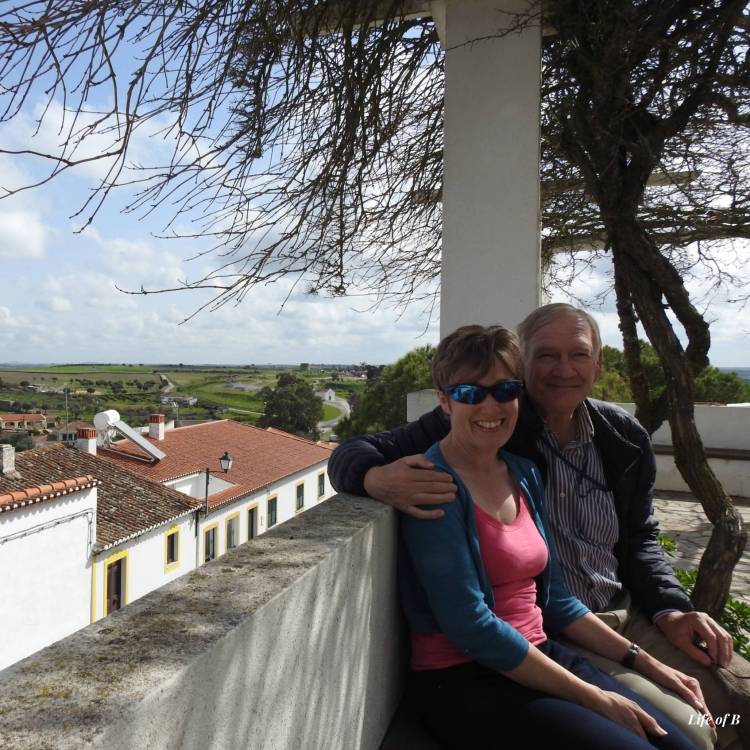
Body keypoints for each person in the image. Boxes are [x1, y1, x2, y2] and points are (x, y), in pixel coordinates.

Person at [329, 303, 736, 750]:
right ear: (444, 400)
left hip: (578, 630)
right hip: (476, 674)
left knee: (685, 738)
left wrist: (658, 640)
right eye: (469, 393)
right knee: (678, 735)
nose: (489, 404)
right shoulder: (437, 482)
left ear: (597, 364)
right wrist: (373, 477)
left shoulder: (534, 467)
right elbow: (472, 626)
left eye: (505, 390)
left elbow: (567, 587)